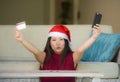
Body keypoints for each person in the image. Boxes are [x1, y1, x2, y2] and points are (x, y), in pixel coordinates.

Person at [15, 24, 101, 82]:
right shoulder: (44, 57)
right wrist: (22, 40)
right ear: (49, 43)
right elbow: (35, 51)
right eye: (54, 40)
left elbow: (81, 49)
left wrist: (94, 37)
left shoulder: (73, 57)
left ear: (66, 42)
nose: (57, 43)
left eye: (61, 39)